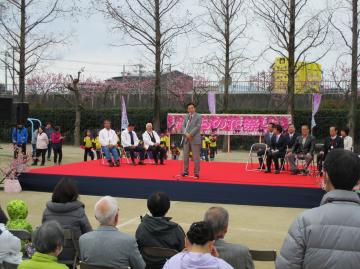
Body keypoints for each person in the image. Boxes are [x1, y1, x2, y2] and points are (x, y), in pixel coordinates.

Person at [276, 149, 360, 269]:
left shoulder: (305, 220)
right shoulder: (305, 221)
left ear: (325, 175)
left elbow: (286, 265)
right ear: (358, 180)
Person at [79, 196, 145, 269]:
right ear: (116, 217)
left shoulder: (83, 240)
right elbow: (141, 267)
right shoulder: (129, 242)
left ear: (96, 217)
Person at [42, 178, 92, 262]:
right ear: (73, 194)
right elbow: (88, 234)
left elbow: (43, 235)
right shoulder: (79, 212)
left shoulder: (47, 212)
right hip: (74, 256)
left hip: (51, 255)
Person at [136, 192, 185, 269]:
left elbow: (137, 250)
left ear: (148, 206)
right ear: (167, 207)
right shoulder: (176, 230)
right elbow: (184, 252)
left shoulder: (142, 228)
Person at [163, 221, 233, 269]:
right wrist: (217, 260)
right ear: (211, 244)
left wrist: (178, 257)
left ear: (186, 241)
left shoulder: (172, 263)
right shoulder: (223, 266)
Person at [182, 103, 202, 179]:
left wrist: (190, 134)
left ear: (194, 108)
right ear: (187, 109)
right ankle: (185, 171)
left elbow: (198, 126)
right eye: (189, 108)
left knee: (196, 157)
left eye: (192, 108)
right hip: (186, 138)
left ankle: (196, 172)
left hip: (195, 138)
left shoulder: (199, 116)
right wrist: (186, 134)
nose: (191, 109)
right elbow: (183, 126)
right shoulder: (186, 116)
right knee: (185, 156)